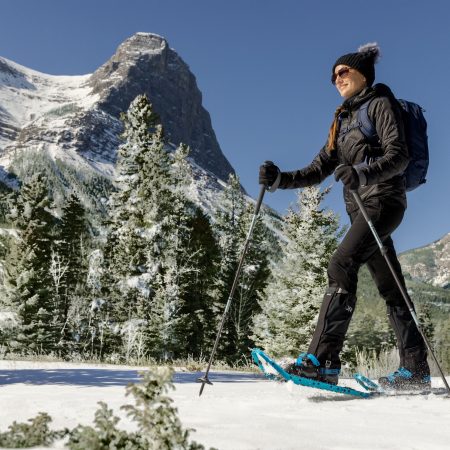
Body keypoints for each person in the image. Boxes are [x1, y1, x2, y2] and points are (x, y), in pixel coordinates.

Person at [259, 43, 430, 390]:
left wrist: (364, 174)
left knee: (341, 264)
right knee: (391, 287)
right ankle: (415, 370)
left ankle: (322, 361)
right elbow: (318, 168)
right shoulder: (342, 119)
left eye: (343, 72)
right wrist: (280, 180)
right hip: (360, 212)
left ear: (361, 73)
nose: (336, 78)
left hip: (383, 202)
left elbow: (399, 156)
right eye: (333, 74)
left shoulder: (380, 104)